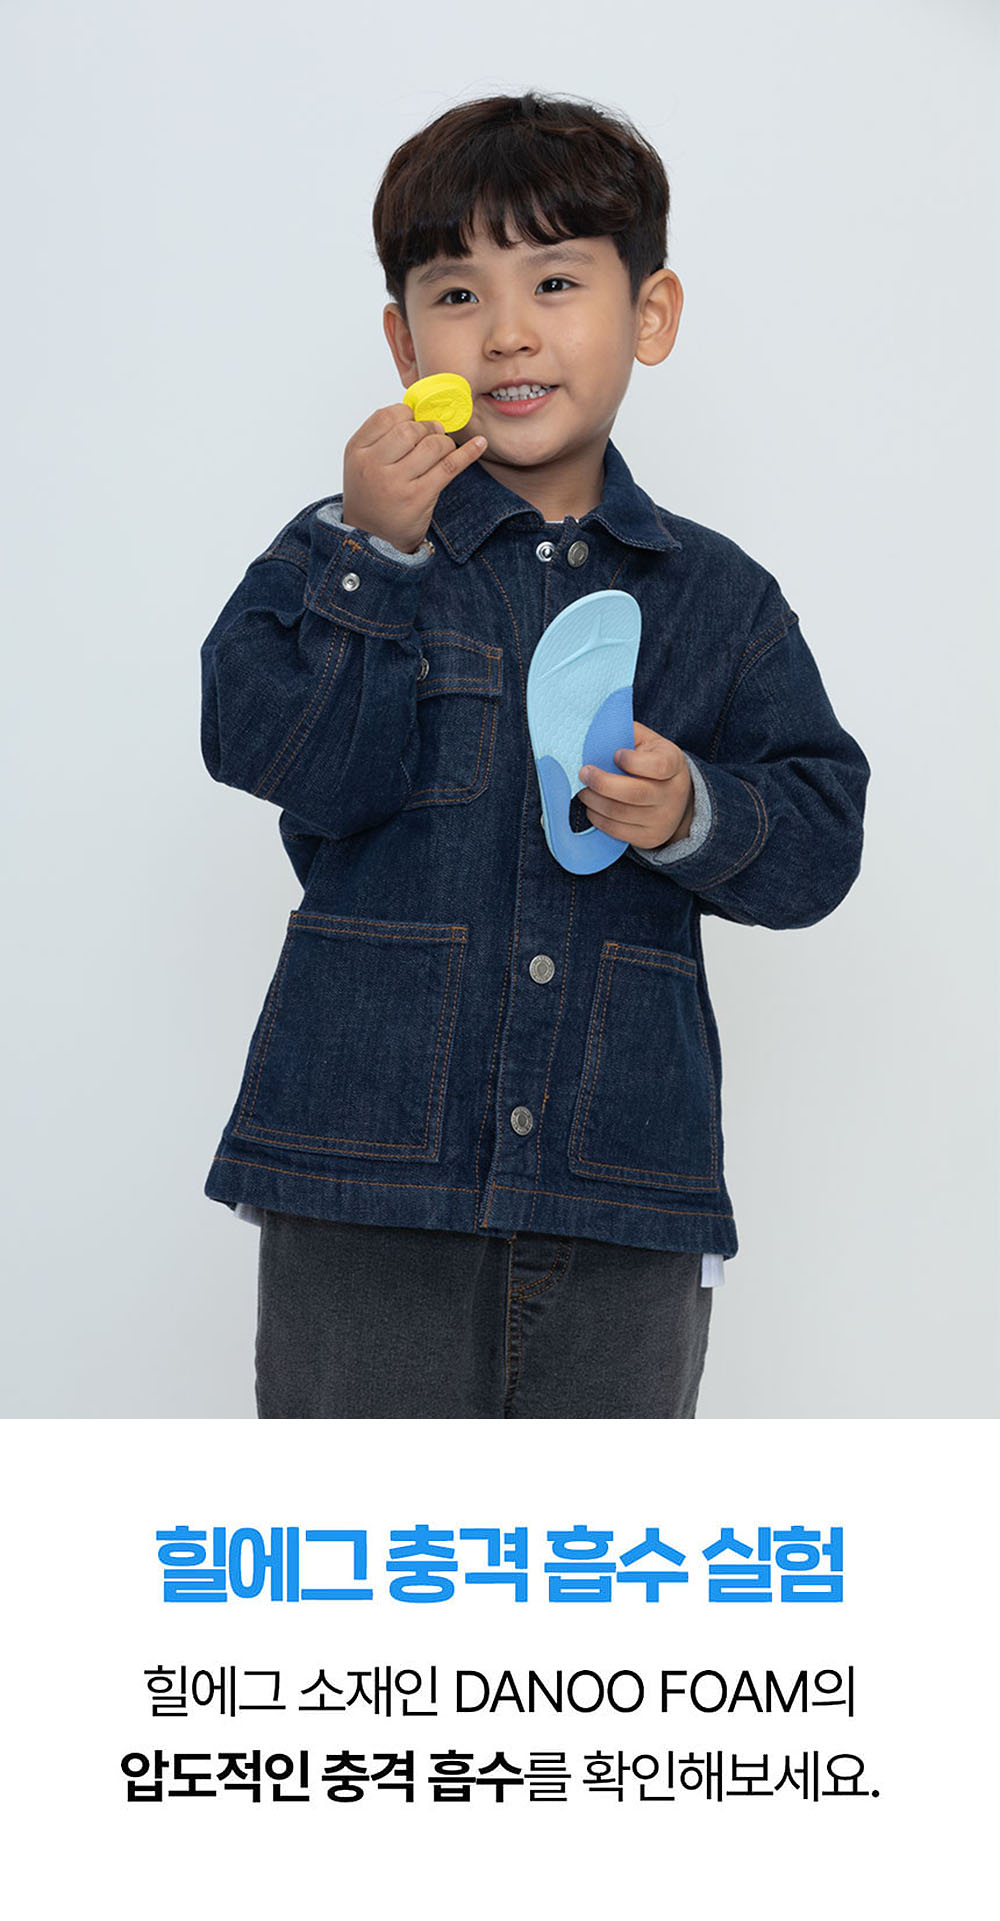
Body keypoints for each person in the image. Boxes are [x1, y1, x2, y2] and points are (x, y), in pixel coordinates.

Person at [199, 91, 869, 1420]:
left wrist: (694, 811)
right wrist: (372, 557)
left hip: (622, 1180)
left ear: (650, 315)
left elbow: (819, 842)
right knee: (366, 1526)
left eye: (555, 281)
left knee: (596, 1530)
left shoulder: (719, 598)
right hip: (367, 1176)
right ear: (405, 343)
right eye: (458, 294)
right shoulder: (341, 554)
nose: (506, 330)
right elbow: (272, 746)